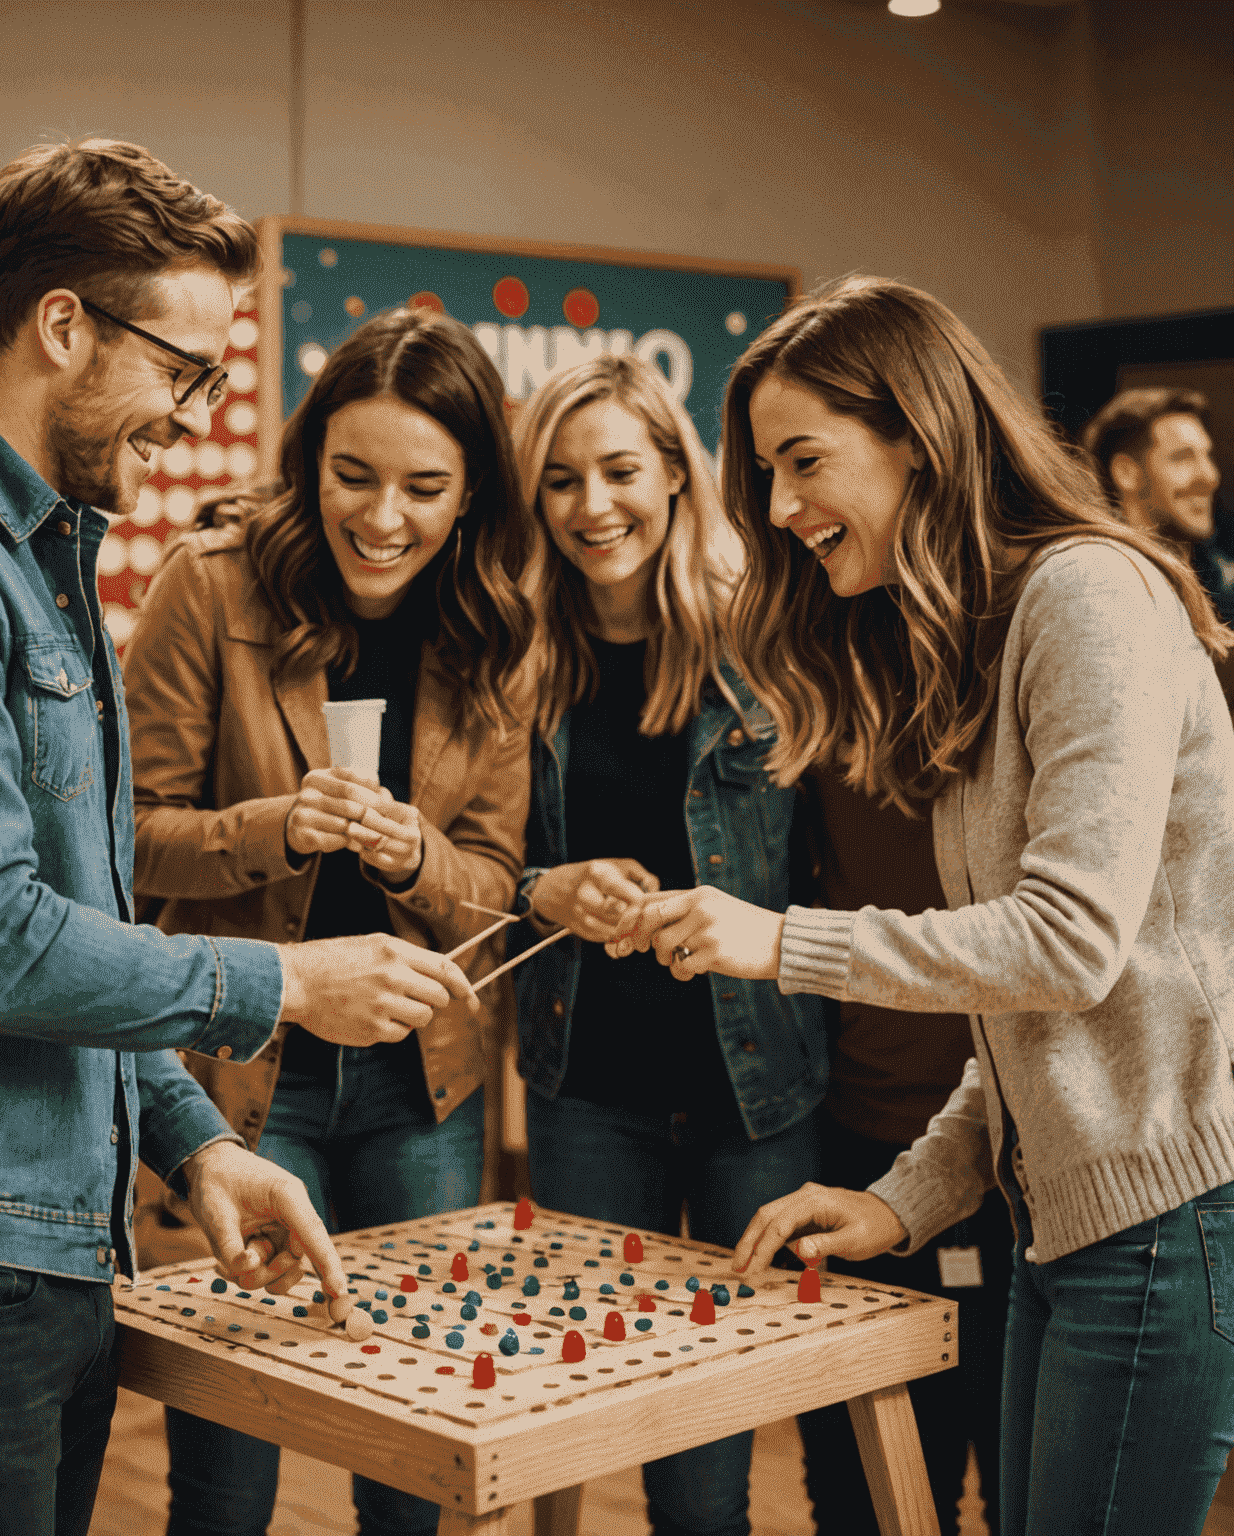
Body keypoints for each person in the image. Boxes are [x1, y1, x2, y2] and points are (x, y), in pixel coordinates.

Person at [0, 139, 476, 1536]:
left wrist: (195, 1143)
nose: (196, 415)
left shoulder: (36, 551)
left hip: (29, 1236)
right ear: (63, 325)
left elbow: (84, 917)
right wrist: (289, 984)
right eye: (183, 369)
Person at [613, 276, 1234, 1536]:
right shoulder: (988, 634)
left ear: (922, 438)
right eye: (766, 476)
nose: (782, 511)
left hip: (1166, 1228)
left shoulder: (1088, 596)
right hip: (1069, 1220)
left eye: (805, 463)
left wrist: (780, 942)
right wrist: (908, 1200)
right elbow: (1029, 1027)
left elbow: (1066, 947)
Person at [122, 305, 536, 1536]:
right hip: (247, 1078)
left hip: (424, 1088)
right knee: (227, 1471)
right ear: (309, 464)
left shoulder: (496, 622)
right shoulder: (211, 582)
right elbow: (122, 841)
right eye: (352, 476)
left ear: (470, 496)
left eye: (424, 486)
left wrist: (419, 859)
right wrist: (273, 828)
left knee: (411, 1449)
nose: (383, 516)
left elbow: (498, 892)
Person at [505, 354, 827, 1536]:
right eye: (560, 482)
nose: (594, 506)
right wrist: (549, 887)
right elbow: (486, 862)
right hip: (590, 1088)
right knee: (572, 1402)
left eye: (620, 471)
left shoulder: (767, 640)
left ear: (678, 478)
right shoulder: (521, 657)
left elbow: (826, 863)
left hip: (760, 1089)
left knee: (706, 1460)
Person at [790, 769, 1011, 1536]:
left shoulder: (1012, 717)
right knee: (864, 1495)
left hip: (1016, 1161)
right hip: (854, 1139)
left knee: (1024, 1488)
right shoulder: (821, 728)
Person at [1081, 386, 1234, 706]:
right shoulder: (1102, 590)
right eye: (1182, 458)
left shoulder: (1216, 584)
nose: (1209, 476)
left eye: (1207, 456)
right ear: (1127, 472)